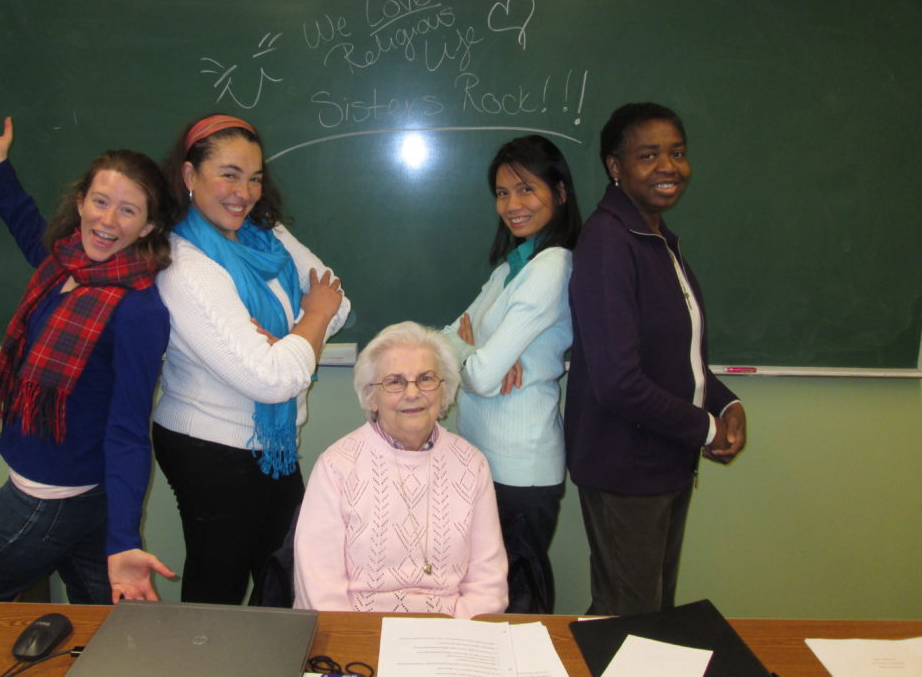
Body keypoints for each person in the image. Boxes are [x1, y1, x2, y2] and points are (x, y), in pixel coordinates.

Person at [0, 109, 176, 604]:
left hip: (46, 495)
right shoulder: (64, 261)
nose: (107, 220)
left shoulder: (138, 310)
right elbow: (27, 227)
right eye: (100, 201)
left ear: (149, 226)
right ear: (80, 203)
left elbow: (129, 430)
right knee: (104, 625)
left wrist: (125, 542)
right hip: (88, 494)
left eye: (128, 210)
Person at [153, 113, 350, 605]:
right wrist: (306, 325)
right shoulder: (184, 265)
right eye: (229, 174)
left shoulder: (269, 236)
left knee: (285, 576)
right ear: (188, 176)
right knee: (216, 593)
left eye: (255, 177)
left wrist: (284, 341)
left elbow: (339, 305)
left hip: (270, 445)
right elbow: (271, 380)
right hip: (210, 446)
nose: (245, 191)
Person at [564, 102, 748, 616]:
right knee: (631, 622)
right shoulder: (608, 242)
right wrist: (706, 430)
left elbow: (677, 353)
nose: (668, 166)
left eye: (677, 153)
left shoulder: (655, 238)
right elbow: (619, 381)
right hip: (626, 465)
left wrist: (724, 401)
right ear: (615, 167)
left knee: (652, 616)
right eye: (648, 155)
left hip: (664, 457)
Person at [441, 135, 581, 613]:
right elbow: (444, 339)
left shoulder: (552, 265)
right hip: (485, 459)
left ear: (560, 192)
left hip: (520, 468)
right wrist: (474, 349)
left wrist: (472, 352)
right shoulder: (510, 268)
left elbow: (478, 377)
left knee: (518, 604)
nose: (511, 204)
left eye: (525, 189)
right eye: (502, 193)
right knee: (484, 595)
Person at [293, 321, 508, 618]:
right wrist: (358, 645)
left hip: (449, 635)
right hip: (359, 633)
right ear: (371, 396)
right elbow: (319, 591)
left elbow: (488, 584)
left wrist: (455, 637)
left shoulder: (472, 464)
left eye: (426, 379)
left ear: (444, 390)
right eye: (394, 381)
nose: (412, 393)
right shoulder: (337, 466)